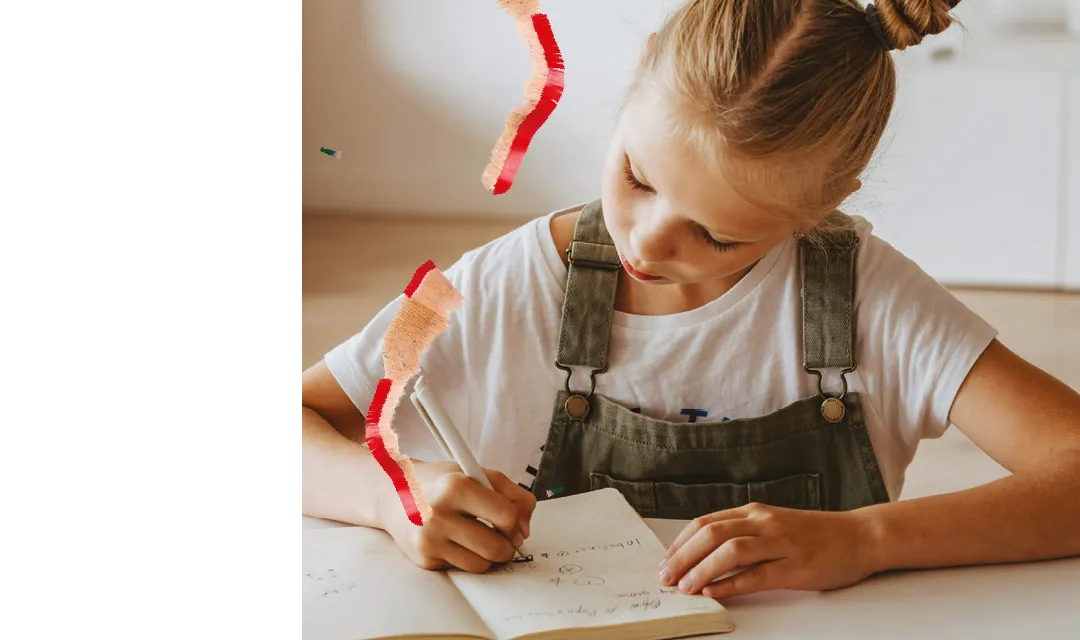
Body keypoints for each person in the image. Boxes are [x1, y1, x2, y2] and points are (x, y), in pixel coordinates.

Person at [300, 0, 1080, 600]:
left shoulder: (870, 300)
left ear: (823, 204)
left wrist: (868, 540)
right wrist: (391, 497)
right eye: (637, 178)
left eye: (716, 235)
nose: (645, 244)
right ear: (640, 71)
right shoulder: (502, 281)